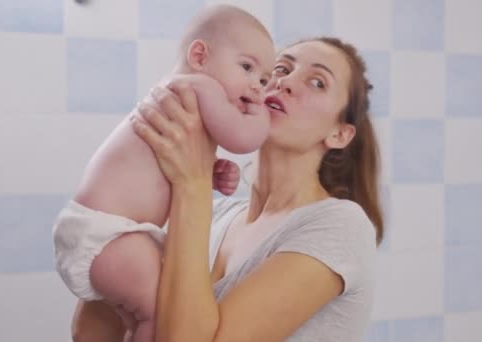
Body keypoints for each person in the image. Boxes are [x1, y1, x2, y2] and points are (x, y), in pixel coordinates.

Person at [128, 36, 385, 341]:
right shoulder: (213, 214)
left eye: (317, 82)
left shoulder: (341, 227)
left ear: (340, 134)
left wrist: (192, 185)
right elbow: (91, 330)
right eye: (280, 68)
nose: (285, 82)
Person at [53, 5, 275, 342]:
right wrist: (262, 115)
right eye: (247, 67)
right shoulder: (198, 87)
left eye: (263, 80)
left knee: (137, 317)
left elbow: (164, 165)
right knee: (161, 311)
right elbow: (245, 138)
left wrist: (212, 172)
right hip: (108, 234)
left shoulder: (184, 101)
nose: (258, 87)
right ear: (199, 55)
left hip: (109, 232)